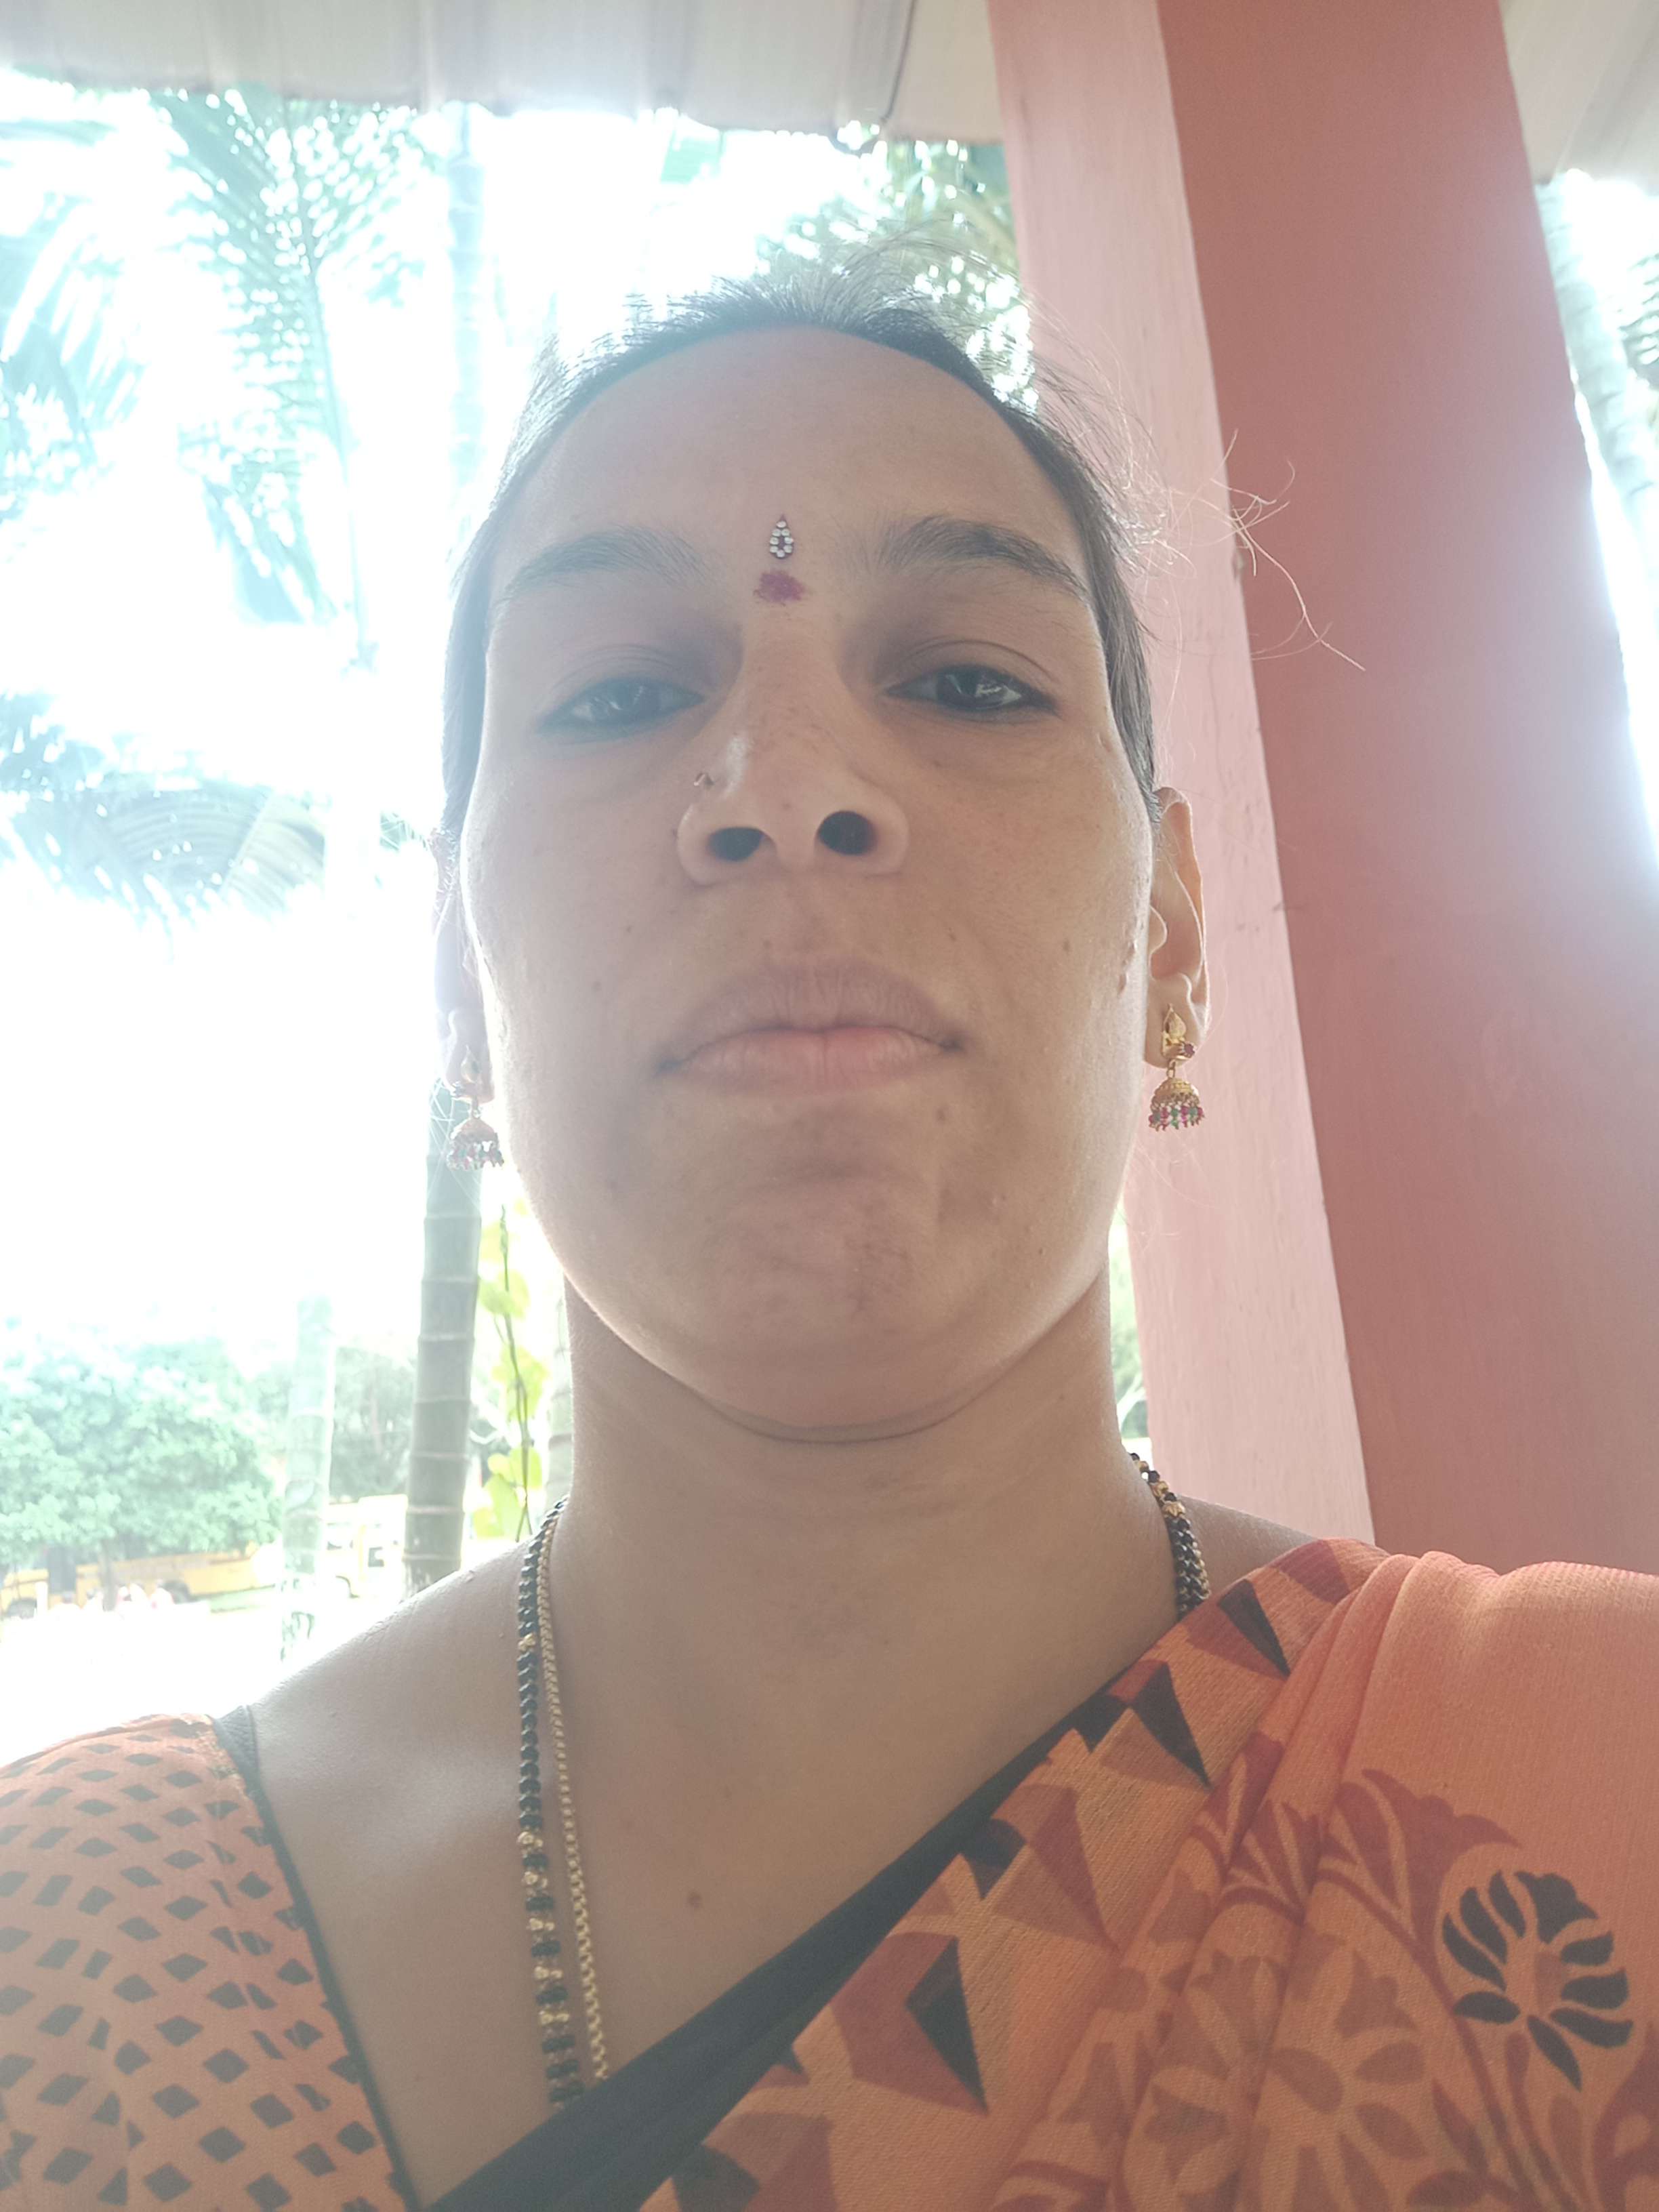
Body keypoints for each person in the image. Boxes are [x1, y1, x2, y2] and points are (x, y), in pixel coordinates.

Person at [3, 271, 1656, 2212]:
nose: (789, 789)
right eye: (621, 694)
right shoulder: (73, 1961)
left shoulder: (1595, 1781)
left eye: (969, 682)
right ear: (457, 988)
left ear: (1174, 938)